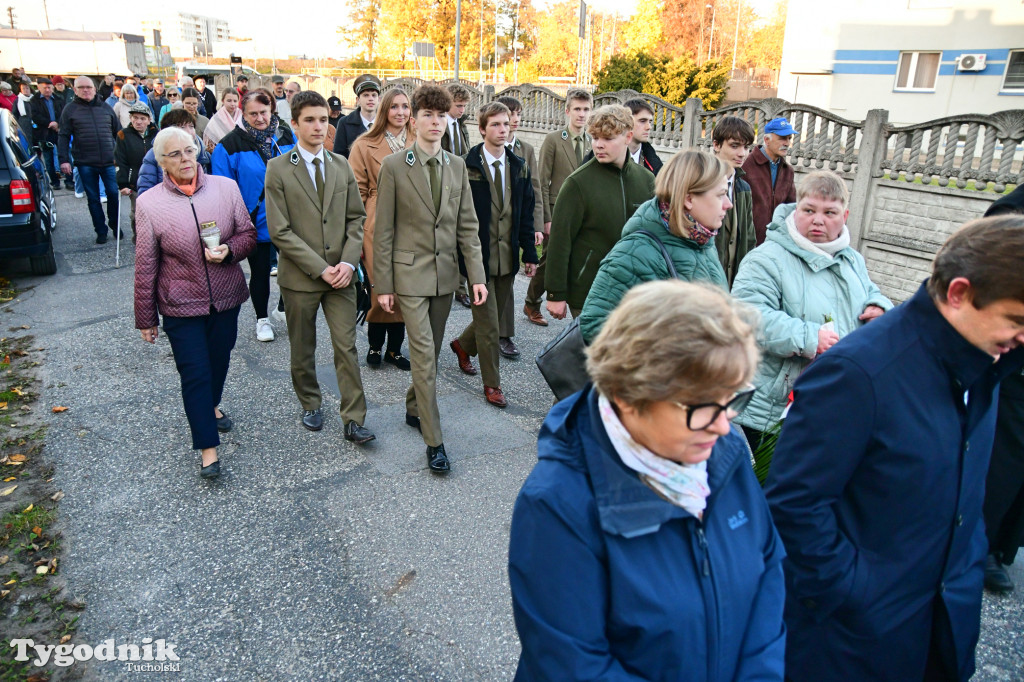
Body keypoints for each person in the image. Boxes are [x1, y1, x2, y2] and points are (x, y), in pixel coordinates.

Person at [765, 214, 1024, 681]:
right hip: (856, 640)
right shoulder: (858, 373)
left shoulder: (988, 361)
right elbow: (794, 506)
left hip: (943, 624)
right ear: (959, 294)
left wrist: (965, 568)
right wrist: (856, 592)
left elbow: (963, 492)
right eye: (1017, 320)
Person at [509, 279, 785, 680]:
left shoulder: (725, 455)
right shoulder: (557, 504)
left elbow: (768, 569)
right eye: (705, 407)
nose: (725, 426)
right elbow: (573, 665)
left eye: (733, 399)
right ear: (628, 396)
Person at [731, 171, 893, 450]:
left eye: (830, 212)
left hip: (835, 402)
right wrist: (808, 337)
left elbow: (870, 292)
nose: (818, 220)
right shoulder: (765, 259)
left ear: (845, 215)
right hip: (774, 412)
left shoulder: (851, 259)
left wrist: (880, 306)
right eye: (809, 210)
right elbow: (746, 316)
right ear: (796, 208)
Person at [373, 84, 487, 474]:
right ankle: (434, 441)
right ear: (414, 119)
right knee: (423, 356)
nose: (435, 122)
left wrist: (476, 276)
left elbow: (467, 227)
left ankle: (412, 405)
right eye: (427, 115)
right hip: (407, 276)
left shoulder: (456, 166)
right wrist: (383, 285)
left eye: (441, 116)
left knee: (432, 354)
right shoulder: (394, 166)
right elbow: (383, 230)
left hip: (444, 278)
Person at [135, 127, 257, 480]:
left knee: (218, 361)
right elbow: (146, 263)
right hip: (179, 303)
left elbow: (247, 234)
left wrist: (230, 251)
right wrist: (146, 317)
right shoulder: (150, 203)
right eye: (174, 154)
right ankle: (208, 448)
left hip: (226, 297)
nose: (184, 159)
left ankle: (212, 405)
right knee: (195, 373)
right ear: (161, 162)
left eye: (189, 151)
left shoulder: (225, 188)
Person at [265, 91, 375, 443]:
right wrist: (320, 268)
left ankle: (354, 418)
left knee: (346, 346)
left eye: (323, 119)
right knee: (303, 345)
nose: (318, 126)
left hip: (341, 276)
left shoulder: (340, 164)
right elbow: (280, 231)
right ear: (294, 124)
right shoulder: (279, 168)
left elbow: (356, 219)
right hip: (301, 278)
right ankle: (310, 402)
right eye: (310, 120)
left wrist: (346, 260)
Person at [578, 150, 730, 344]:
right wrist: (675, 356)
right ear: (689, 199)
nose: (728, 204)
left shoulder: (702, 241)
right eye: (721, 195)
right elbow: (595, 325)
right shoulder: (636, 252)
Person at [449, 102, 538, 408]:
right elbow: (456, 216)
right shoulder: (465, 165)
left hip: (507, 256)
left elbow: (525, 213)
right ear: (482, 128)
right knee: (489, 325)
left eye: (506, 124)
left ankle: (462, 345)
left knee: (495, 314)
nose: (503, 130)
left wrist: (530, 253)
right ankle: (493, 384)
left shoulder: (520, 165)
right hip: (477, 259)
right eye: (496, 125)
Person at [544, 104, 656, 321]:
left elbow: (653, 235)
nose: (598, 145)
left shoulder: (647, 180)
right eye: (595, 138)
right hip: (588, 291)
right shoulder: (577, 183)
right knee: (592, 353)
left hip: (633, 291)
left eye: (608, 138)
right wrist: (555, 293)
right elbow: (559, 241)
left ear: (628, 137)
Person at [212, 88, 296, 343]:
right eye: (253, 114)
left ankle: (283, 309)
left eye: (264, 112)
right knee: (260, 273)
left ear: (272, 111)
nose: (260, 118)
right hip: (254, 222)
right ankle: (262, 320)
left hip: (289, 219)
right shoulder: (227, 146)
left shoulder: (286, 136)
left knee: (294, 270)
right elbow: (224, 190)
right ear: (242, 113)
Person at [348, 87, 415, 371]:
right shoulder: (364, 144)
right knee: (379, 287)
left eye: (405, 107)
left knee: (405, 289)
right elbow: (356, 192)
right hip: (376, 222)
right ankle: (375, 345)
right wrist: (362, 229)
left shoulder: (420, 140)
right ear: (384, 110)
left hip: (413, 223)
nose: (400, 113)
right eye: (394, 107)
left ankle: (395, 350)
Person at [980, 185, 1024, 593]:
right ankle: (983, 547)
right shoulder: (1012, 211)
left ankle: (1005, 546)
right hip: (1010, 362)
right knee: (1003, 460)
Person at [523, 89, 592, 327]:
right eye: (577, 109)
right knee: (549, 260)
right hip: (556, 211)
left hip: (582, 215)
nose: (582, 114)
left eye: (586, 109)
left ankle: (576, 306)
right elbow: (541, 182)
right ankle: (532, 302)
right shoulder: (554, 140)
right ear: (567, 111)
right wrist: (545, 219)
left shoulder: (591, 142)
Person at [494, 95, 544, 359]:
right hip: (493, 229)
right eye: (509, 114)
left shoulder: (526, 149)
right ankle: (488, 336)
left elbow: (534, 189)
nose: (514, 120)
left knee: (509, 283)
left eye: (517, 114)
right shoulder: (488, 147)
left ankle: (504, 335)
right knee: (496, 290)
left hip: (517, 225)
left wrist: (536, 224)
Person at [58, 76, 121, 244]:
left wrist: (123, 156)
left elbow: (119, 133)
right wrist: (64, 160)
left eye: (88, 87)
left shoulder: (106, 108)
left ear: (94, 89)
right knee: (93, 198)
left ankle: (115, 225)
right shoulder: (70, 110)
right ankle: (100, 230)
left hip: (109, 161)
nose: (86, 90)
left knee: (114, 194)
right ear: (76, 90)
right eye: (81, 87)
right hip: (85, 162)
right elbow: (63, 136)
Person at [711, 116, 756, 286]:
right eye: (734, 146)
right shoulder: (701, 183)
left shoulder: (743, 188)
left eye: (746, 147)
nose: (742, 153)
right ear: (716, 145)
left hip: (735, 283)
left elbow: (750, 240)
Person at [742, 116, 797, 244]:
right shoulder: (746, 166)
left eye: (789, 138)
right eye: (782, 138)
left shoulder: (788, 171)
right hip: (747, 243)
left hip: (776, 243)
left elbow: (791, 209)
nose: (787, 143)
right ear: (767, 140)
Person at [137, 110, 213, 194]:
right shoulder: (154, 155)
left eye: (191, 126)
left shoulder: (204, 154)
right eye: (182, 127)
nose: (188, 132)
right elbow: (145, 191)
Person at [582, 98, 663, 176]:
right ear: (627, 121)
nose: (649, 127)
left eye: (650, 121)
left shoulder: (654, 164)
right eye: (642, 121)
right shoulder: (589, 164)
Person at [114, 102, 157, 242]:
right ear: (131, 119)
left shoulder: (157, 133)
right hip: (135, 181)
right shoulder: (123, 135)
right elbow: (120, 161)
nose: (139, 121)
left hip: (155, 180)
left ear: (149, 120)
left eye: (142, 118)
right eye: (135, 118)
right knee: (137, 213)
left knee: (156, 211)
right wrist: (122, 184)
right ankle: (140, 239)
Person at [332, 74, 380, 158]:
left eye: (374, 95)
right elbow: (339, 157)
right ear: (358, 100)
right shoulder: (345, 123)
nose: (370, 98)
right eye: (366, 95)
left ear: (378, 99)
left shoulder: (385, 122)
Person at [29, 78, 64, 186]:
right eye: (45, 88)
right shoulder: (34, 100)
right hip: (44, 133)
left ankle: (69, 180)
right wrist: (50, 123)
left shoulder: (58, 98)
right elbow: (35, 116)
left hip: (59, 131)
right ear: (39, 88)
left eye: (49, 87)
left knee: (64, 155)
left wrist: (57, 123)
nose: (48, 90)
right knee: (48, 159)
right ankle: (55, 181)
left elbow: (64, 113)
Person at [203, 87, 241, 152]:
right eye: (229, 101)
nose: (232, 104)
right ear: (223, 101)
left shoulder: (243, 116)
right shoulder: (216, 119)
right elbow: (209, 138)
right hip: (221, 153)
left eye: (235, 101)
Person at [441, 83, 471, 157]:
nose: (462, 110)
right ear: (447, 103)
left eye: (464, 106)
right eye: (459, 106)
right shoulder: (439, 124)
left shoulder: (462, 125)